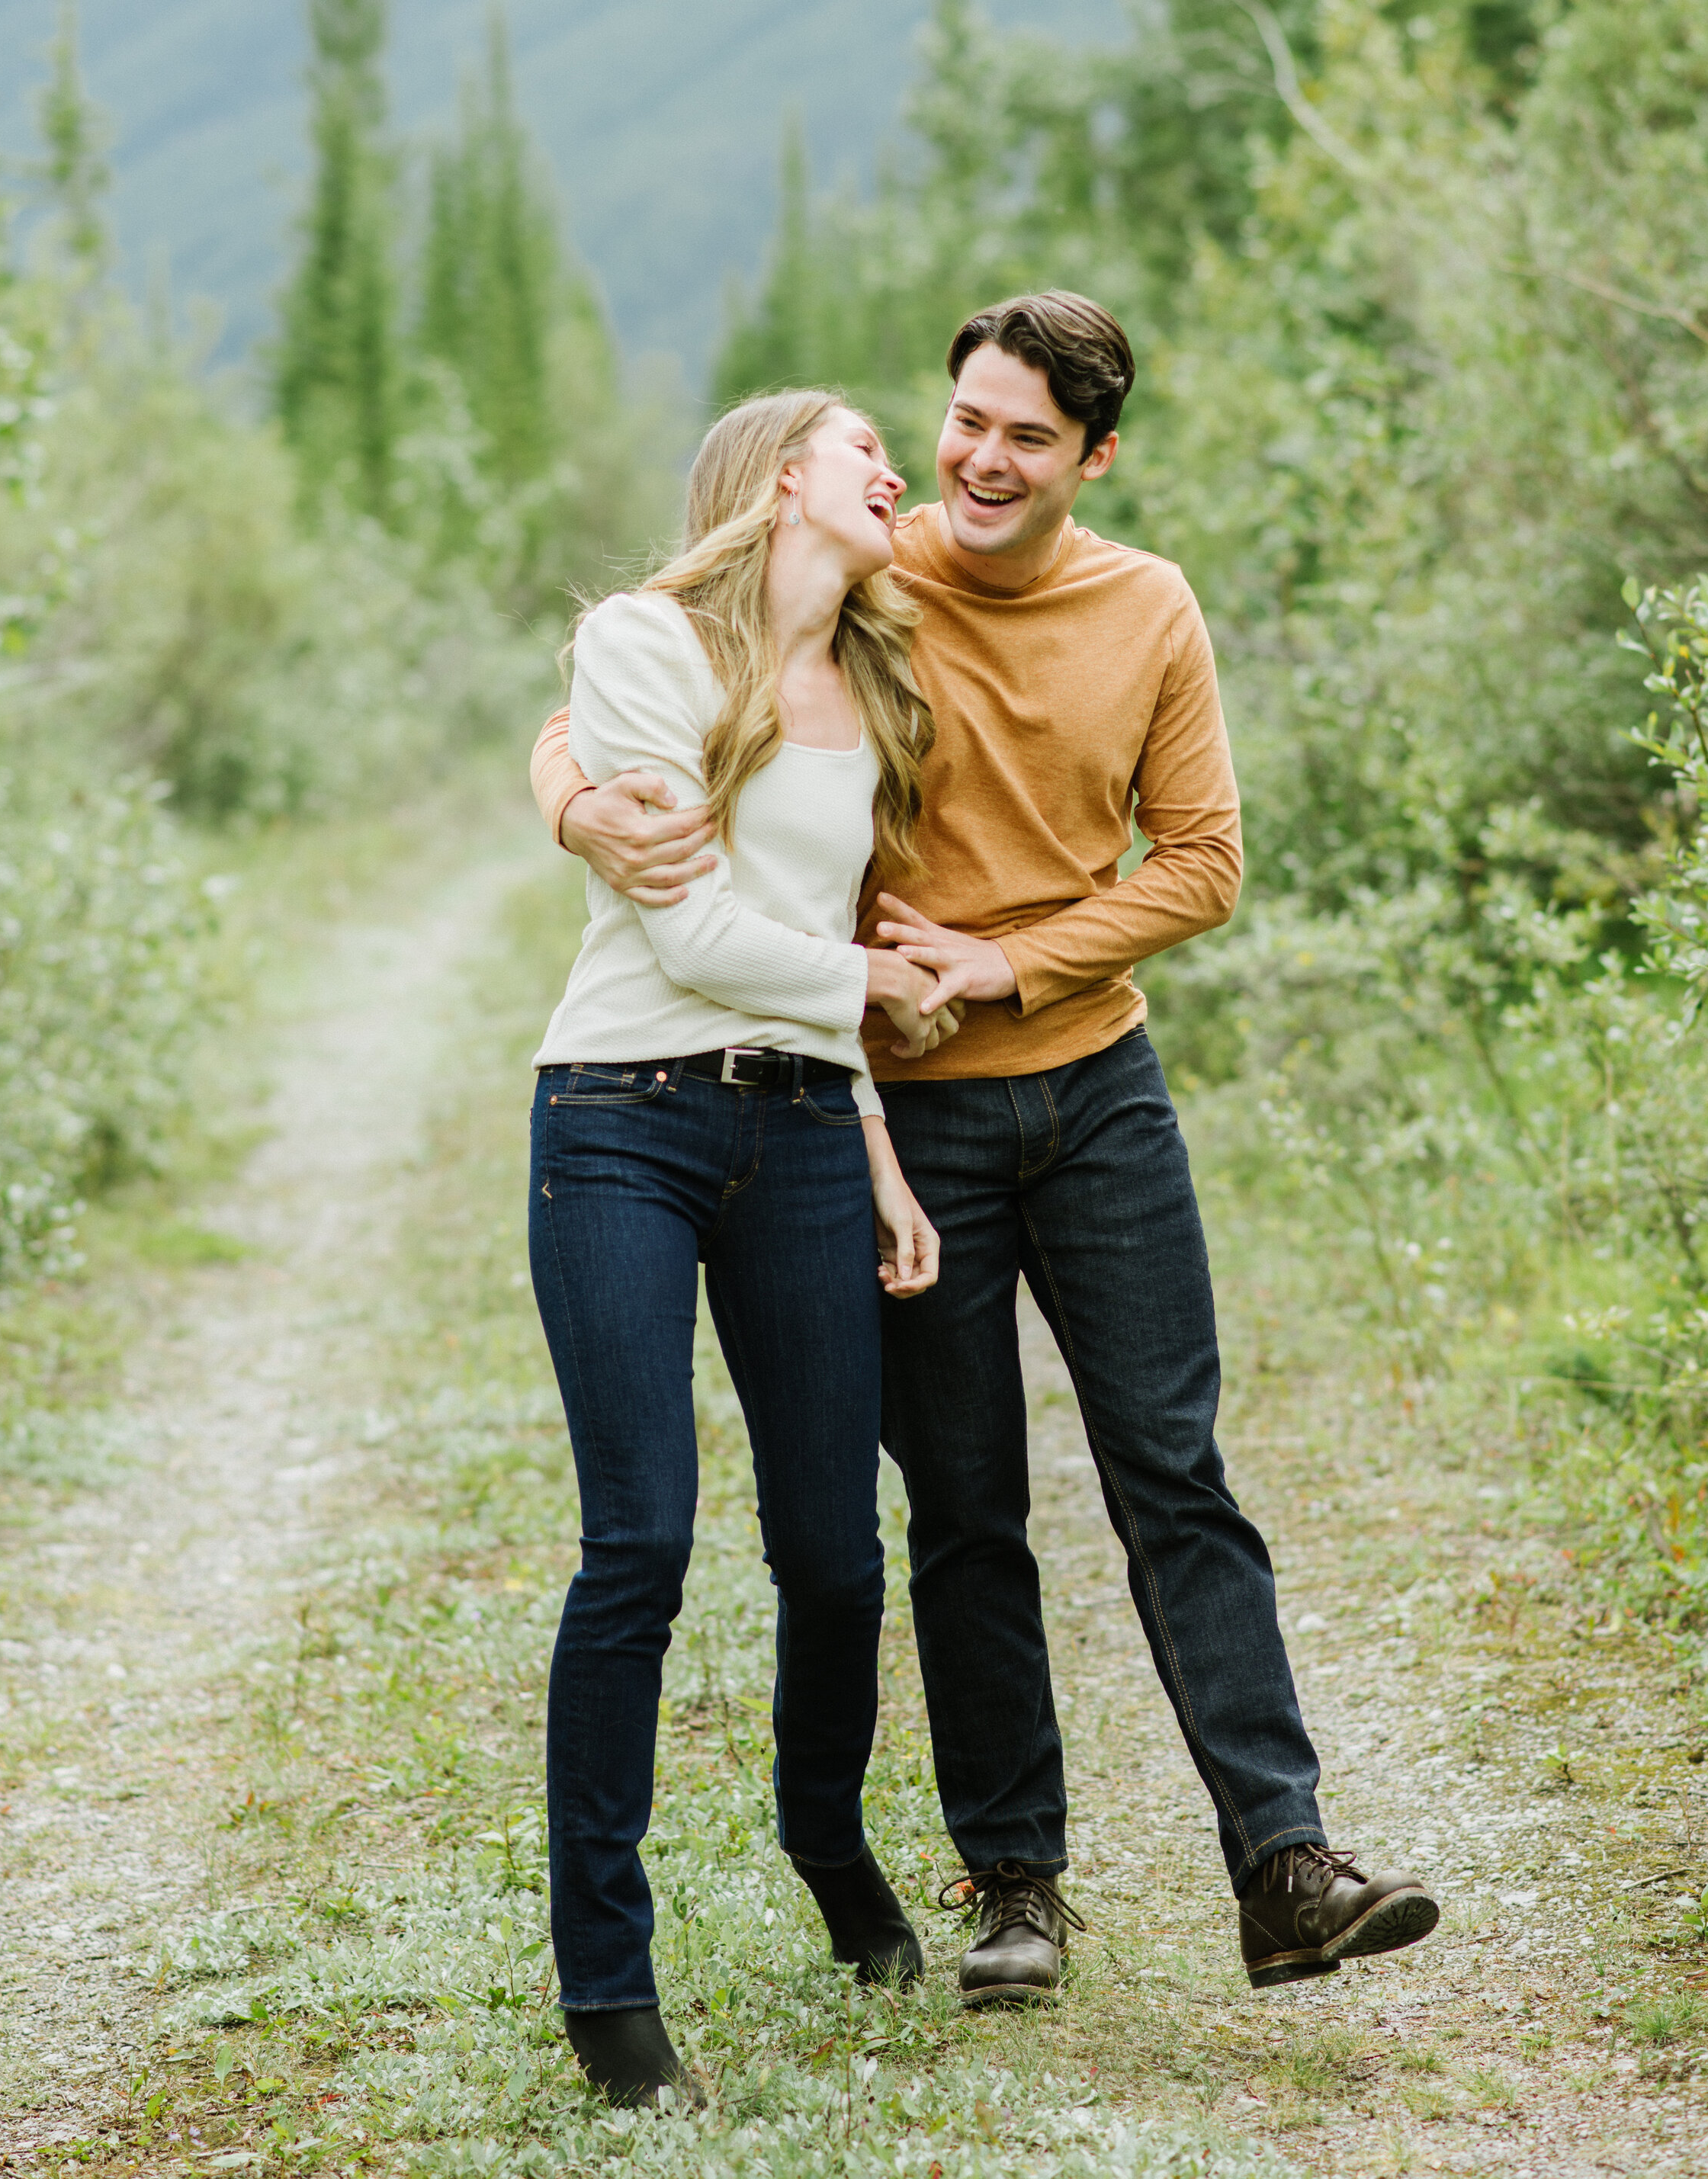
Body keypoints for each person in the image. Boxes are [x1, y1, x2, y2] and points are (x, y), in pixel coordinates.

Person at [535, 294, 1440, 2001]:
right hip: (901, 1111)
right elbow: (651, 660)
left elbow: (1202, 863)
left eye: (1026, 434)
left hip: (1096, 1087)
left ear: (1093, 453)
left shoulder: (1145, 605)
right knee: (958, 1507)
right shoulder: (878, 575)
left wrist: (1013, 959)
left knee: (1173, 1472)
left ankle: (1284, 1861)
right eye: (963, 420)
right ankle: (1012, 1882)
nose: (977, 459)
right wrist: (572, 794)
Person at [528, 388, 958, 2110]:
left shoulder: (868, 684)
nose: (896, 470)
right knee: (637, 1540)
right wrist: (872, 987)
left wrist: (866, 1134)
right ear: (787, 475)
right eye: (869, 445)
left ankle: (825, 1839)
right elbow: (692, 925)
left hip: (796, 1129)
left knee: (836, 1551)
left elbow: (802, 925)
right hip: (618, 1115)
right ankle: (605, 1984)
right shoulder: (640, 644)